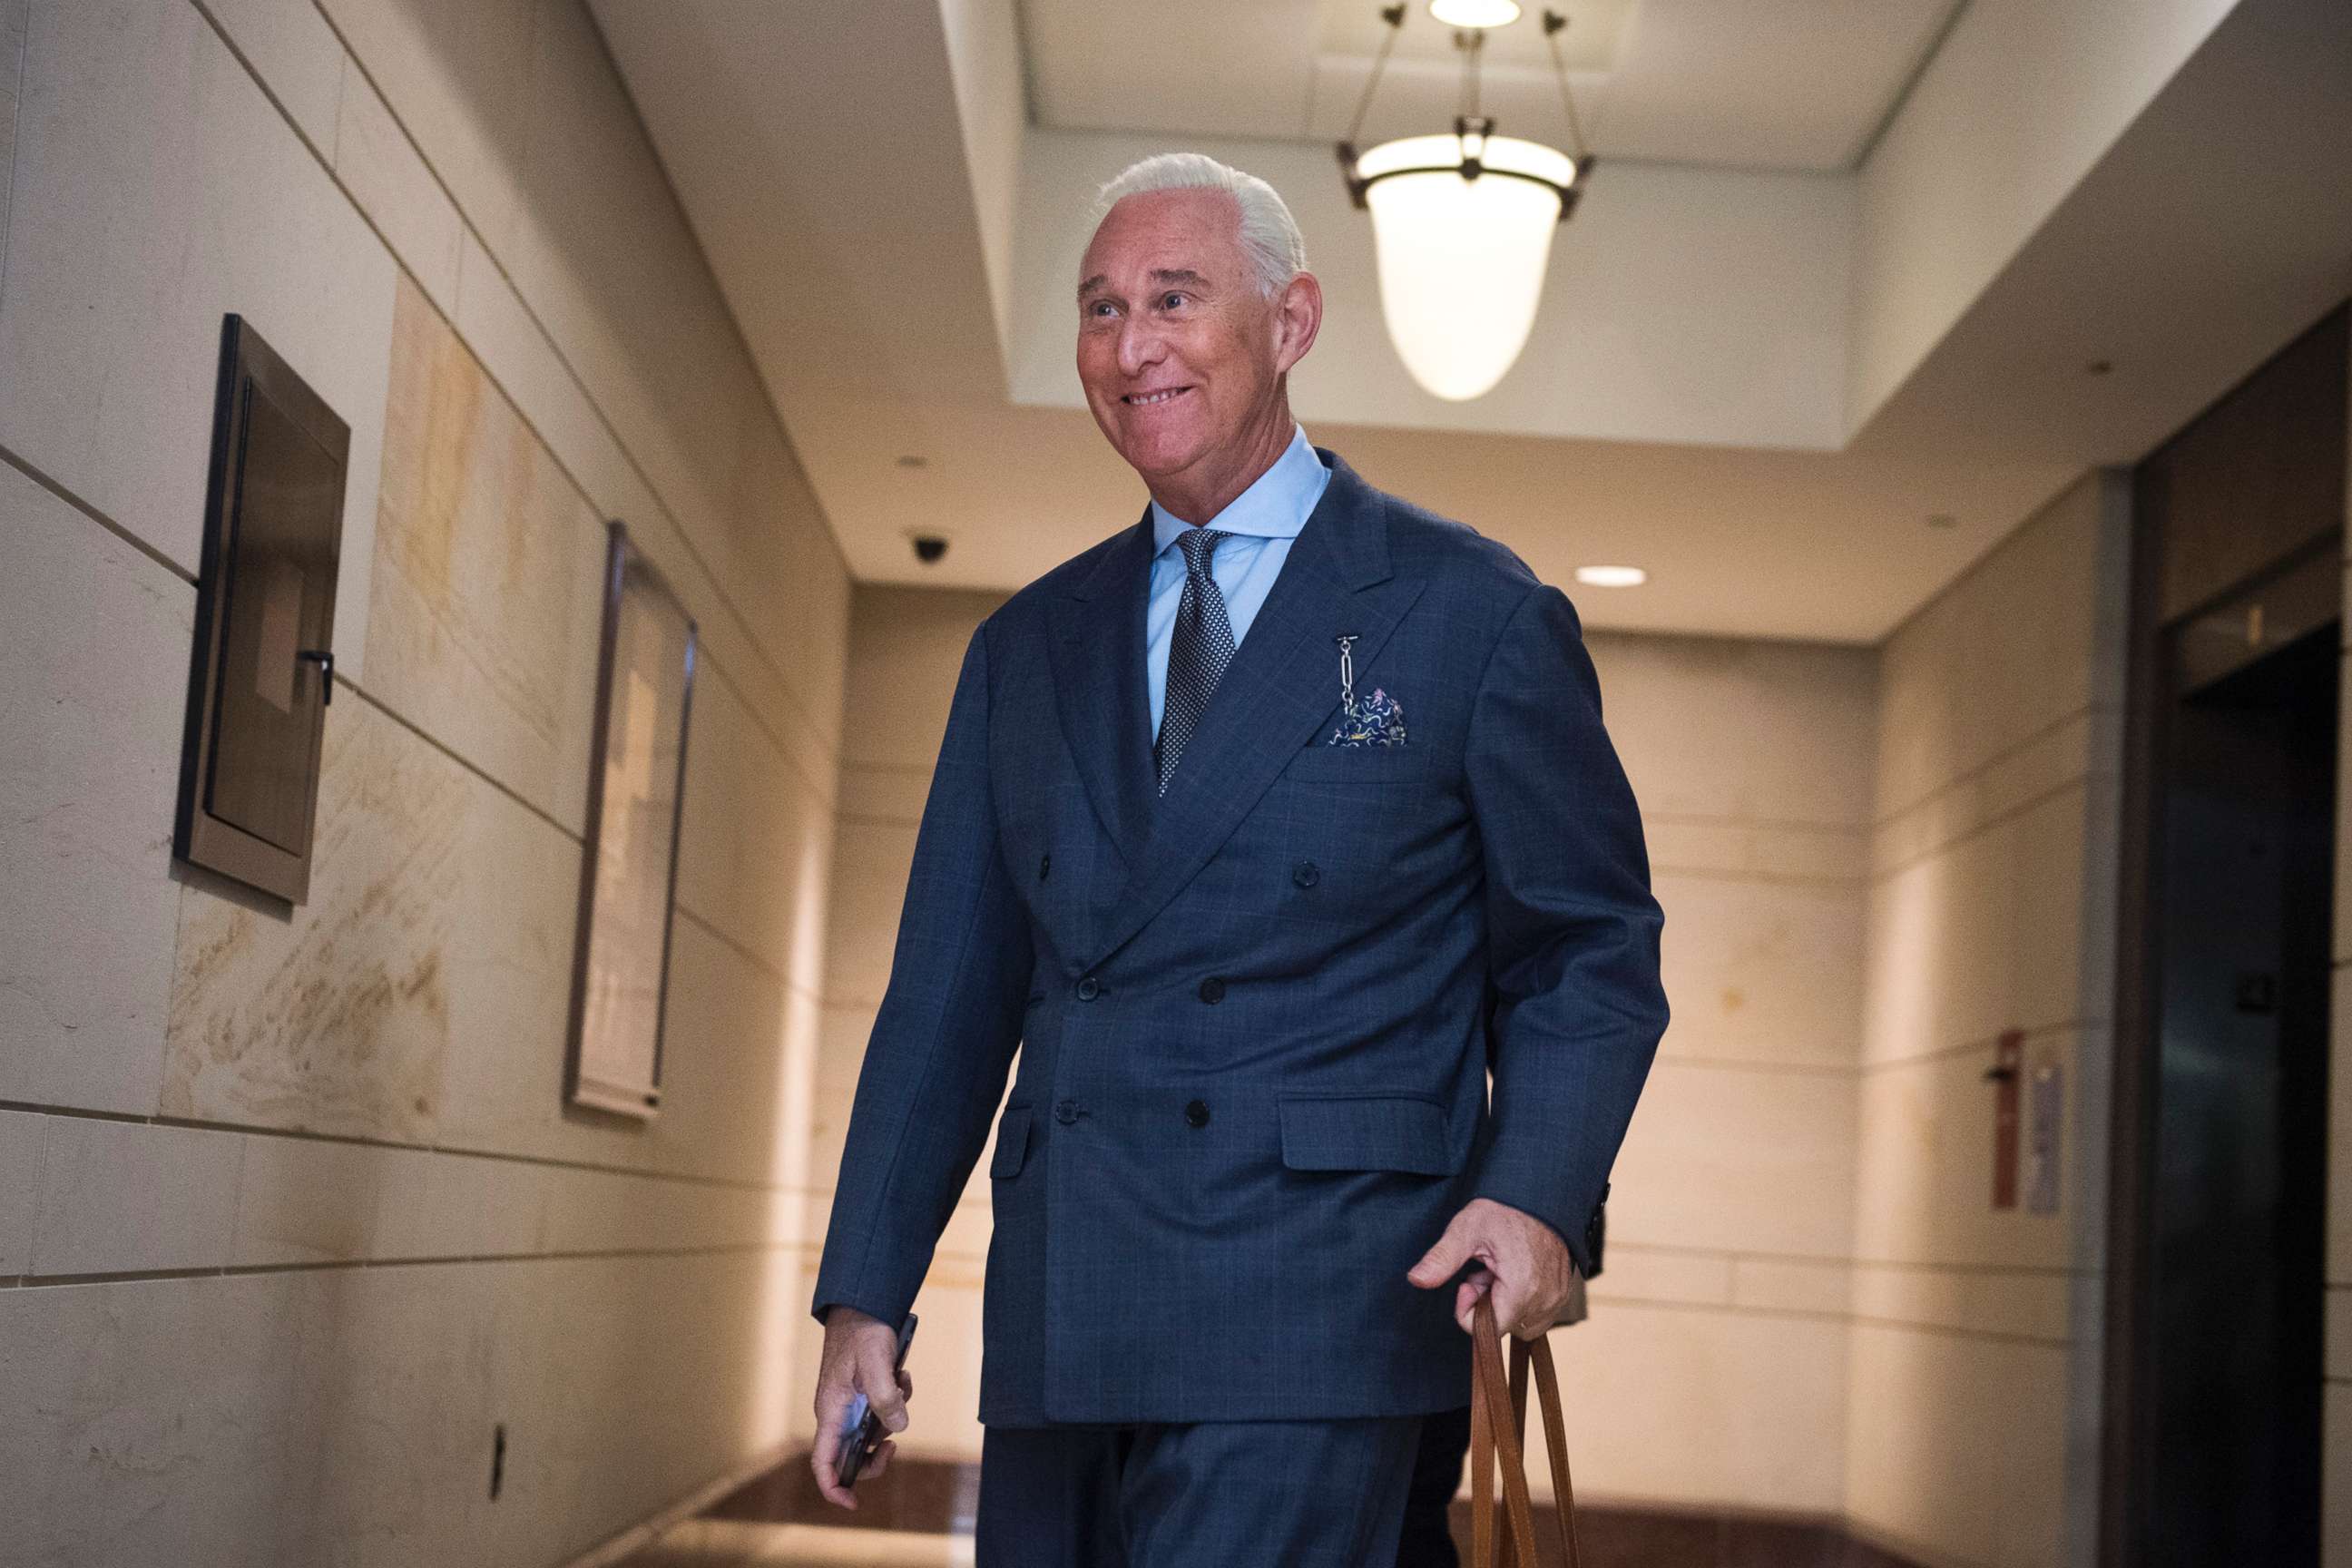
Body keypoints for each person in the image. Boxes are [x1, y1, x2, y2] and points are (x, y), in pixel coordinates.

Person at [808, 151, 1667, 1567]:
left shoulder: (1467, 613)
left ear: (1292, 322)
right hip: (1064, 1312)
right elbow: (945, 1000)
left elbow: (1589, 947)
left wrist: (1538, 1192)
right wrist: (866, 1299)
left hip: (1322, 1307)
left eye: (1173, 297)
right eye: (1097, 308)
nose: (1129, 343)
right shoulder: (1025, 649)